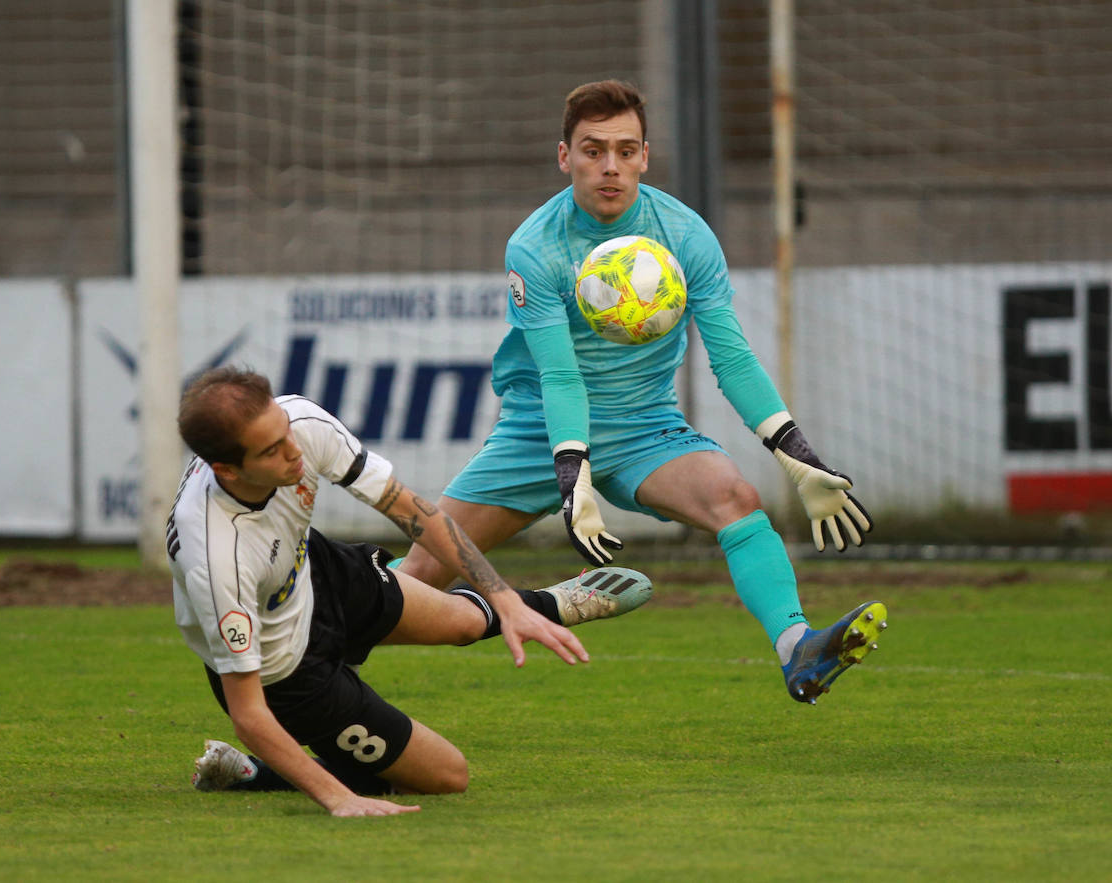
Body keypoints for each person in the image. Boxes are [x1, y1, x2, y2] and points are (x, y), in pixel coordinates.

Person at [398, 79, 887, 705]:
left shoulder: (684, 235)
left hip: (644, 428)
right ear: (564, 156)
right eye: (593, 150)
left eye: (625, 151)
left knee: (733, 495)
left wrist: (796, 454)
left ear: (645, 157)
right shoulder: (535, 246)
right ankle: (316, 643)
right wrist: (571, 470)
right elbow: (560, 375)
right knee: (420, 575)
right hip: (538, 432)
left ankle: (799, 649)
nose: (610, 167)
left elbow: (731, 357)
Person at [167, 366, 651, 818]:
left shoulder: (300, 423)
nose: (293, 451)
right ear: (226, 469)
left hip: (316, 569)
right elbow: (249, 714)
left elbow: (410, 510)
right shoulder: (216, 557)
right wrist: (339, 801)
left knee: (464, 622)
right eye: (270, 451)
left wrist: (501, 594)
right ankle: (256, 774)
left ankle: (546, 607)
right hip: (286, 671)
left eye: (285, 433)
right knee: (445, 776)